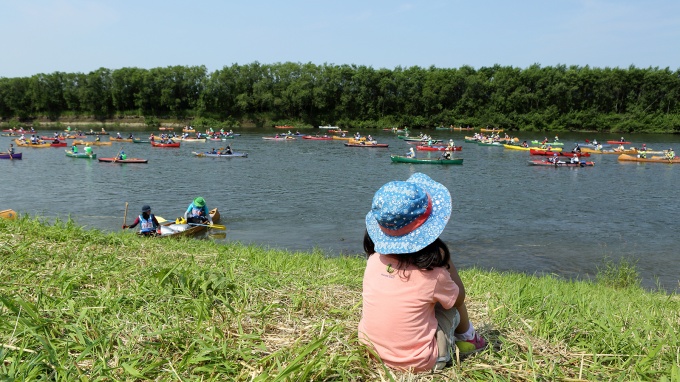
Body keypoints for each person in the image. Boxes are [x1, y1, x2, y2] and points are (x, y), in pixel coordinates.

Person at [358, 173, 487, 372]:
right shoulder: (434, 275)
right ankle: (469, 338)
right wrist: (446, 261)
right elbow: (459, 298)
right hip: (420, 362)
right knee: (450, 304)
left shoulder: (374, 260)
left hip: (371, 350)